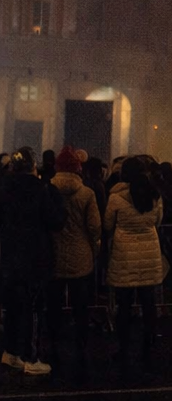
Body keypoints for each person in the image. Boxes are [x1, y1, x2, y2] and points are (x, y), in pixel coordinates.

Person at [0, 147, 66, 376]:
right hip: (34, 258)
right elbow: (56, 221)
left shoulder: (4, 187)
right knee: (32, 308)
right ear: (32, 166)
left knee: (11, 307)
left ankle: (10, 353)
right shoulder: (40, 189)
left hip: (8, 257)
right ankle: (31, 357)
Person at [105, 156, 164, 366]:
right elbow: (158, 221)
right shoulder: (155, 195)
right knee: (149, 303)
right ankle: (149, 345)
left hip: (124, 254)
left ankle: (124, 347)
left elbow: (108, 224)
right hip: (149, 251)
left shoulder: (115, 198)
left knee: (124, 304)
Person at [47, 147, 101, 372]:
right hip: (81, 255)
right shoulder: (87, 193)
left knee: (54, 304)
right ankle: (81, 341)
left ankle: (53, 343)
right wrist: (93, 246)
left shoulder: (48, 190)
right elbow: (95, 226)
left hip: (54, 254)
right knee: (80, 304)